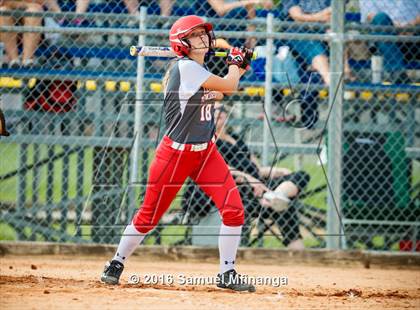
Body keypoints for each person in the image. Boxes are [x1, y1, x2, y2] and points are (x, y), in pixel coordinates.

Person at [100, 15, 256, 292]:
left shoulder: (198, 69)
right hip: (174, 155)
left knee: (234, 209)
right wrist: (234, 66)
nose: (204, 39)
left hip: (205, 154)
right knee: (148, 215)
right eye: (195, 36)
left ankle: (227, 272)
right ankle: (116, 262)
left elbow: (220, 92)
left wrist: (238, 67)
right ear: (182, 43)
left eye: (204, 34)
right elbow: (229, 87)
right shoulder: (185, 68)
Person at [182, 103, 309, 249]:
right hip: (233, 193)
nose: (219, 112)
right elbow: (215, 169)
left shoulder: (235, 138)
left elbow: (257, 168)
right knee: (284, 206)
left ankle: (275, 196)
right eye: (213, 109)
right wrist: (249, 179)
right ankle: (297, 249)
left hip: (256, 187)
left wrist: (278, 171)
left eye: (222, 109)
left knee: (300, 177)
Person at [359, 0, 419, 82]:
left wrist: (411, 26)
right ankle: (398, 73)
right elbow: (371, 16)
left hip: (415, 33)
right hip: (385, 38)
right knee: (380, 18)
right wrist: (397, 27)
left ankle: (398, 76)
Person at [0, 0, 61, 68]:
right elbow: (3, 3)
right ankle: (14, 61)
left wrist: (14, 3)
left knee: (34, 11)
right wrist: (26, 4)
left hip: (37, 16)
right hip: (11, 14)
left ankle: (27, 61)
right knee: (3, 11)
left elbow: (41, 2)